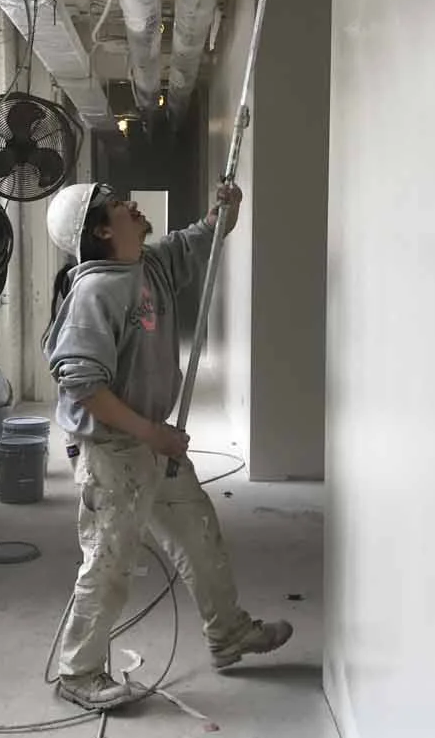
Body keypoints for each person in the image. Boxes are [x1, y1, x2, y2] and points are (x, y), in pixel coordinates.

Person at [42, 181, 294, 710]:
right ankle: (78, 672)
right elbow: (83, 385)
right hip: (114, 451)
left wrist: (223, 213)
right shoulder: (95, 292)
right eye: (118, 205)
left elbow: (199, 240)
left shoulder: (148, 265)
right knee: (110, 560)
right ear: (101, 230)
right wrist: (151, 434)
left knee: (199, 537)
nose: (132, 205)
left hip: (152, 442)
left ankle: (228, 633)